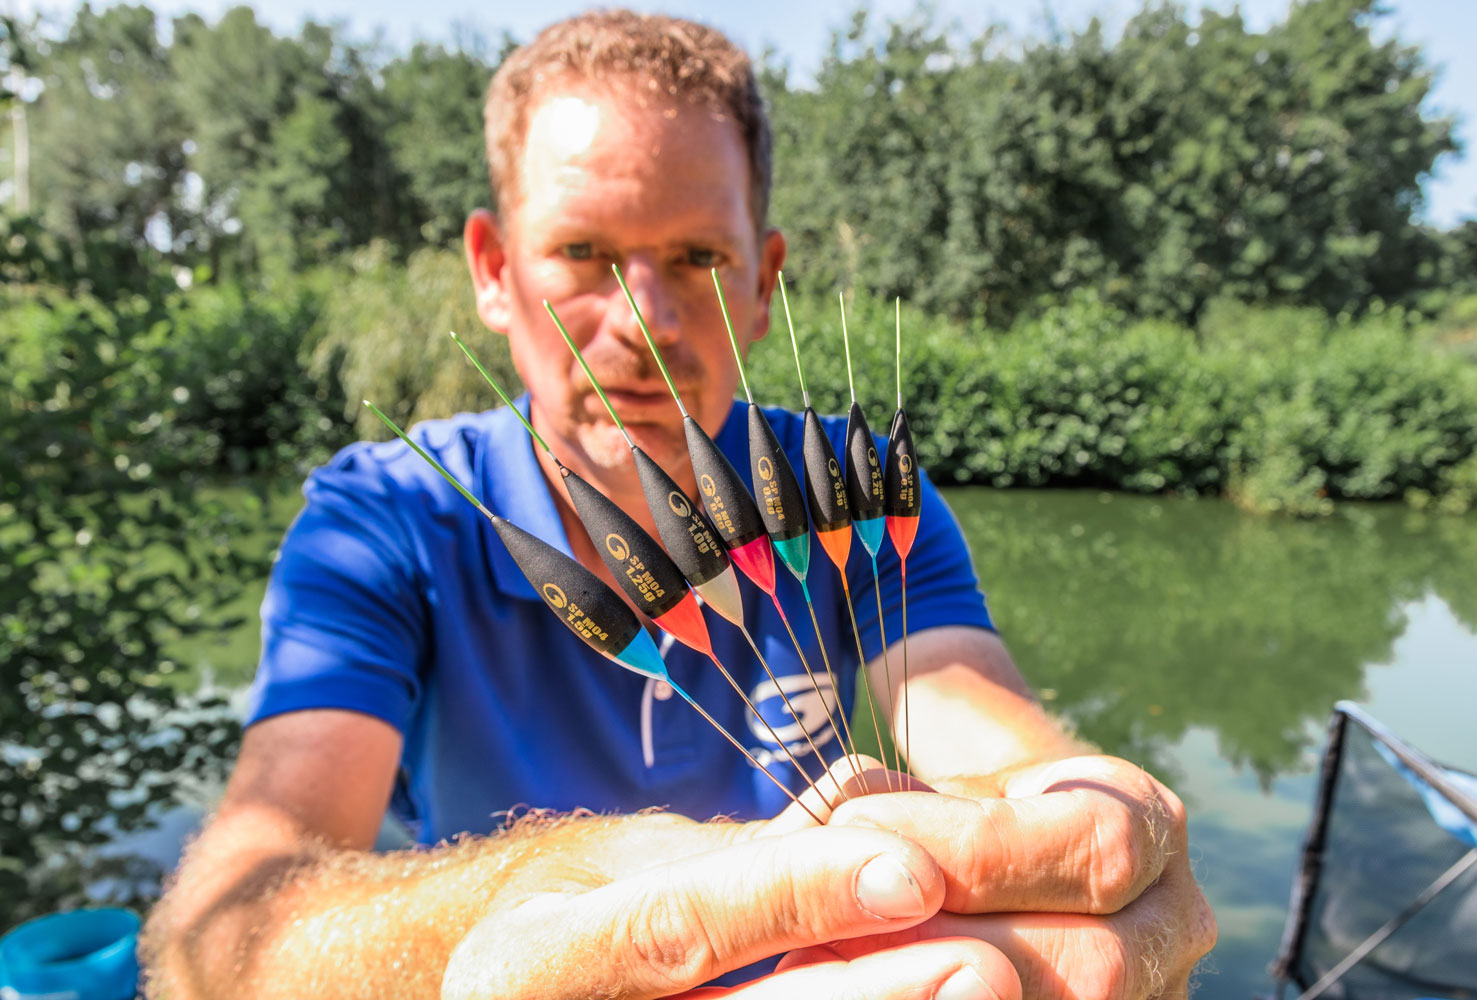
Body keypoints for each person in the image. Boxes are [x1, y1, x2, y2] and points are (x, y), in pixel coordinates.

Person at [142, 11, 1215, 999]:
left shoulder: (861, 491)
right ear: (493, 268)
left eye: (699, 257)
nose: (643, 321)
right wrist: (543, 892)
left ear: (764, 281)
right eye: (583, 254)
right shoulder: (382, 520)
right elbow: (221, 932)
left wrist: (1083, 825)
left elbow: (998, 740)